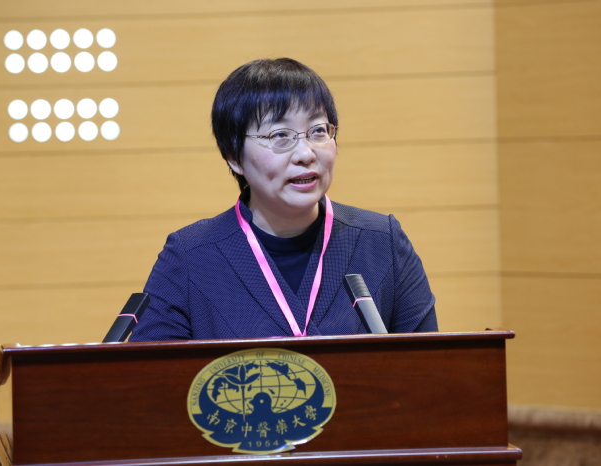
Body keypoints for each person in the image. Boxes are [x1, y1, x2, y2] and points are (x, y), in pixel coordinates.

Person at [130, 58, 437, 341]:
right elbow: (152, 377)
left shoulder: (382, 242)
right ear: (234, 156)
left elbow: (428, 370)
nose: (305, 153)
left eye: (318, 131)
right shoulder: (190, 257)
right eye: (280, 135)